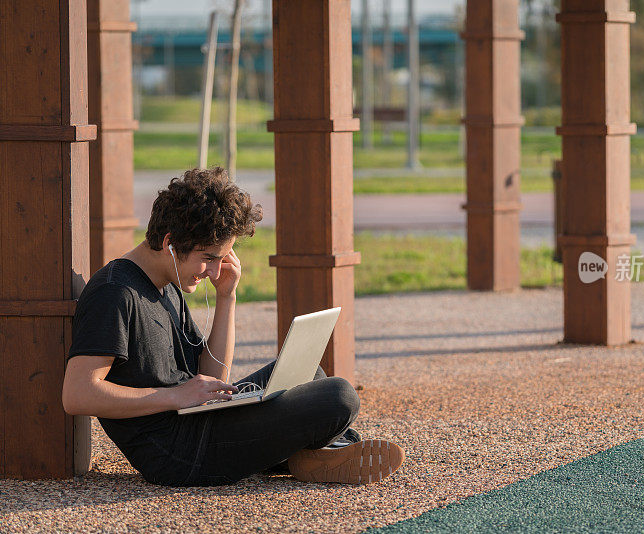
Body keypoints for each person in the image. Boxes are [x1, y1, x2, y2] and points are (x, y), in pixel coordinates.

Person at [62, 167, 404, 486]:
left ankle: (306, 453)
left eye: (221, 259)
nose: (213, 271)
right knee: (339, 397)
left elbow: (212, 374)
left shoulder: (167, 284)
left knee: (310, 374)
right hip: (176, 452)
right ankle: (309, 452)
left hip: (197, 419)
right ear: (169, 243)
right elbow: (78, 394)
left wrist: (227, 298)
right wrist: (175, 395)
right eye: (209, 258)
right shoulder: (114, 292)